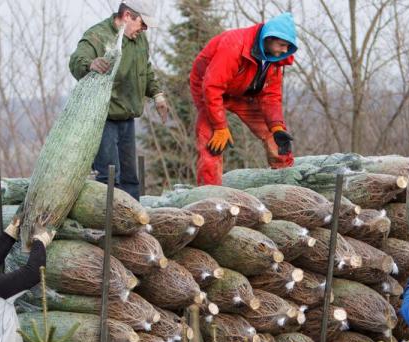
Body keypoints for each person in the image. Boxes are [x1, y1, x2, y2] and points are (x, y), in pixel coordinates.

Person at [69, 1, 169, 199]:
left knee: (130, 177)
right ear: (127, 16)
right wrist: (90, 64)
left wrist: (157, 95)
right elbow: (76, 60)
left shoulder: (139, 40)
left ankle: (132, 222)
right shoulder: (98, 35)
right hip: (102, 118)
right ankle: (108, 224)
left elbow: (145, 69)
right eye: (142, 23)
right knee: (110, 176)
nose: (144, 29)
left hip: (127, 117)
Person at [189, 12, 298, 185]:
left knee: (276, 136)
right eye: (282, 45)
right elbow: (212, 87)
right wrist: (220, 127)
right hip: (210, 90)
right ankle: (209, 195)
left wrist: (277, 126)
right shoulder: (234, 45)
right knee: (212, 142)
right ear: (269, 38)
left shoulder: (275, 58)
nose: (285, 50)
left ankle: (286, 184)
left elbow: (271, 96)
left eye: (287, 47)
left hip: (242, 93)